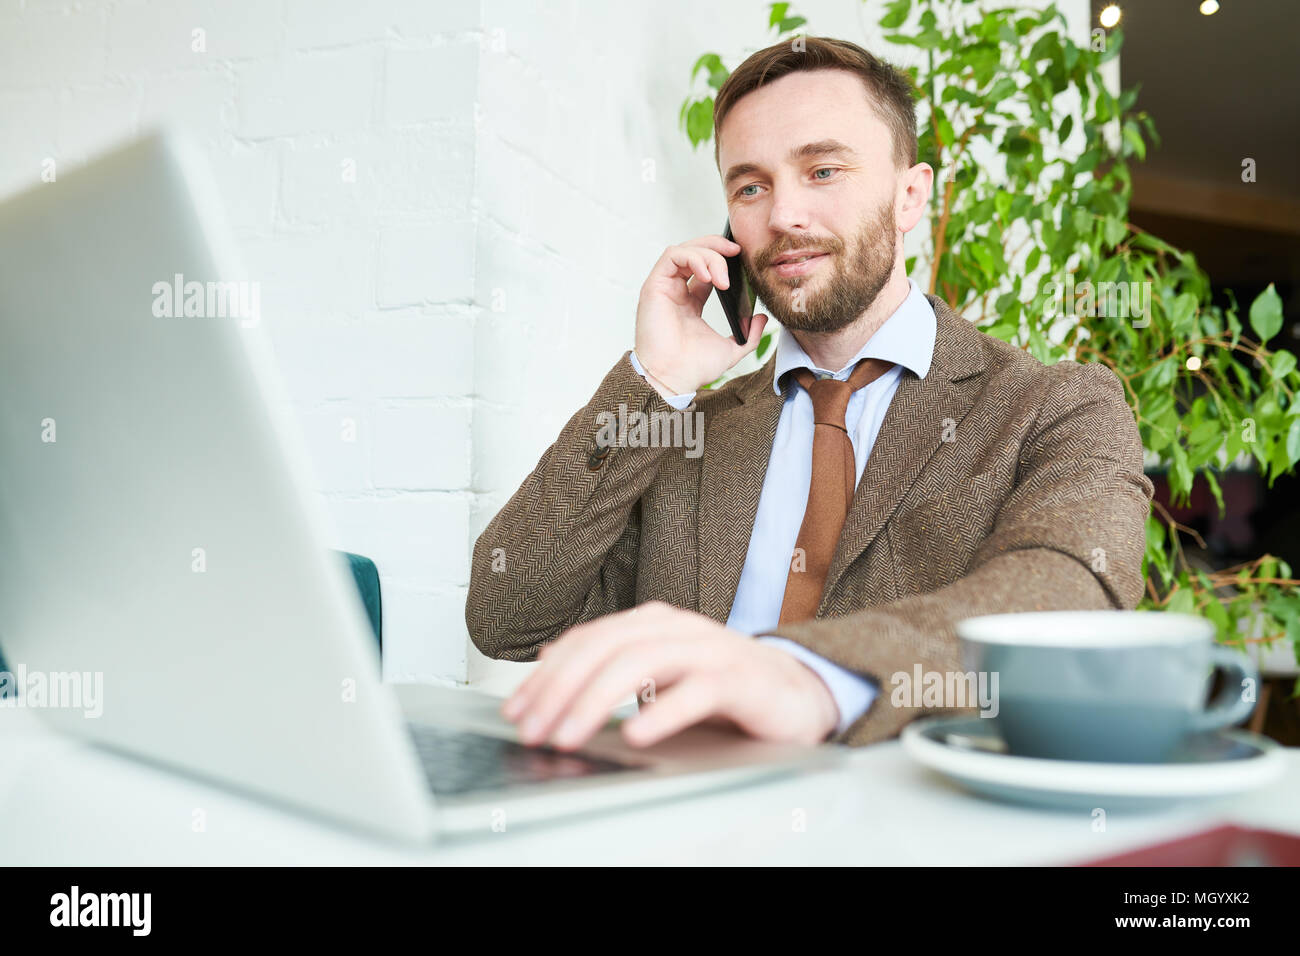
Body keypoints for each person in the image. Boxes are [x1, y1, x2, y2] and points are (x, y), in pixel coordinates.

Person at [464, 36, 1153, 753]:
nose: (784, 215)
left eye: (823, 170)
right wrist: (655, 381)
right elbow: (508, 615)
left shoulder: (1056, 406)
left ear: (909, 193)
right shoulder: (685, 427)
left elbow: (1069, 593)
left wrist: (807, 676)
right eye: (750, 186)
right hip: (673, 819)